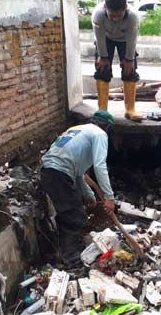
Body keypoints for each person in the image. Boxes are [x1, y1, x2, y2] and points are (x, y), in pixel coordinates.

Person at [40, 110, 117, 262]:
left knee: (67, 211)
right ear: (107, 127)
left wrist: (89, 196)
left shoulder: (76, 130)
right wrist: (109, 198)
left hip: (47, 170)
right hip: (59, 172)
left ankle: (61, 249)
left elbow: (79, 174)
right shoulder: (100, 134)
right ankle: (69, 256)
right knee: (75, 215)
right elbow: (100, 166)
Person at [92, 0, 143, 122]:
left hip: (125, 40)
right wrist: (103, 57)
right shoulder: (98, 14)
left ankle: (130, 109)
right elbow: (99, 38)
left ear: (125, 9)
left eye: (119, 15)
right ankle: (102, 109)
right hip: (105, 39)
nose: (115, 18)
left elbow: (132, 40)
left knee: (129, 71)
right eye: (112, 15)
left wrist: (129, 59)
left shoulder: (133, 17)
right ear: (105, 8)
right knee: (102, 69)